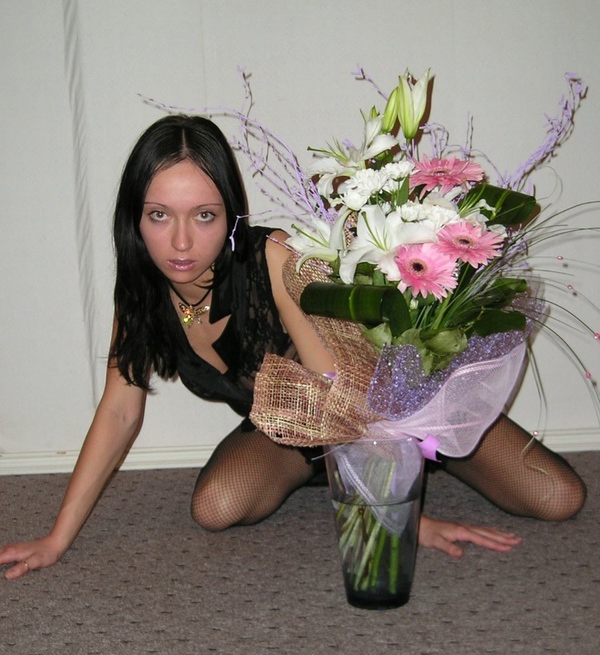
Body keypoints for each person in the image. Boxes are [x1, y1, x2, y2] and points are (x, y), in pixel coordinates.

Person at [0, 115, 586, 581]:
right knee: (215, 507)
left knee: (559, 497)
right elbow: (120, 411)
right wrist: (57, 539)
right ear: (135, 218)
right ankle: (328, 482)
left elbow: (341, 396)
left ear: (231, 215)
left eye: (203, 216)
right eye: (159, 215)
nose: (180, 242)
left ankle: (431, 454)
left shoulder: (274, 258)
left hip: (392, 410)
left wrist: (402, 511)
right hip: (293, 435)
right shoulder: (141, 291)